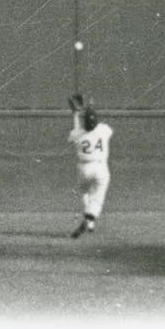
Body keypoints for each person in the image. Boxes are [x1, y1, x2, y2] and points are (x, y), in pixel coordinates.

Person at [67, 92, 114, 239]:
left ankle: (89, 219)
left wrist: (76, 114)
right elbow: (99, 125)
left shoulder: (78, 134)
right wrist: (90, 108)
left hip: (84, 168)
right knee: (98, 195)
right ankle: (90, 218)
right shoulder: (103, 130)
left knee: (85, 192)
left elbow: (75, 132)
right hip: (100, 168)